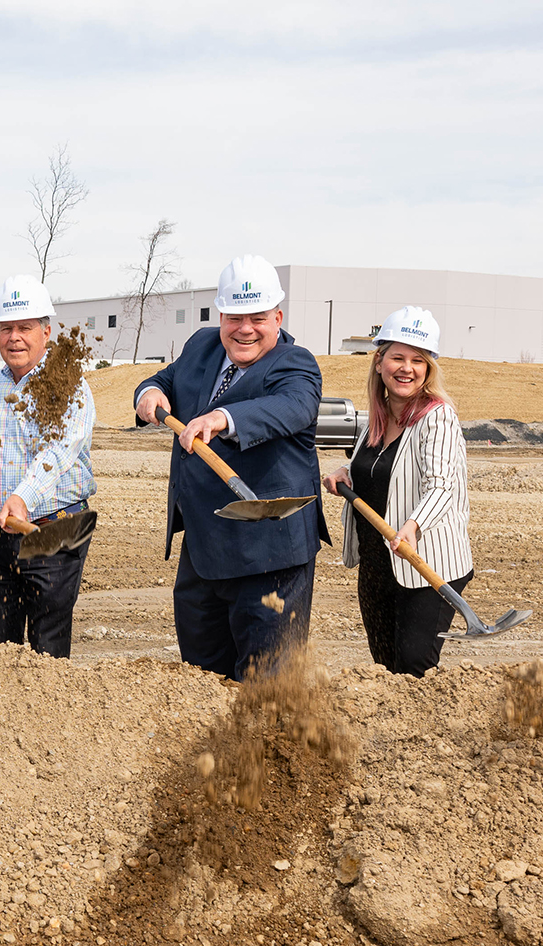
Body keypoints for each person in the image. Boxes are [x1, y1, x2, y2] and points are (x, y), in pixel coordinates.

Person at [134, 254, 328, 681]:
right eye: (235, 316)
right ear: (221, 315)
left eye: (257, 317)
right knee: (202, 676)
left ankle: (269, 748)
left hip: (270, 554)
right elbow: (167, 380)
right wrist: (149, 391)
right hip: (205, 547)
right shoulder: (202, 345)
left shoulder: (296, 365)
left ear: (277, 317)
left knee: (266, 685)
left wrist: (223, 418)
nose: (245, 328)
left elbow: (289, 407)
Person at [322, 307, 471, 676]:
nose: (407, 368)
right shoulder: (377, 414)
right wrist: (347, 473)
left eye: (417, 360)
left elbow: (441, 486)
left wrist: (413, 526)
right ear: (379, 362)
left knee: (413, 666)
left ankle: (427, 733)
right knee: (385, 669)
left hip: (425, 564)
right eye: (398, 357)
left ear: (429, 368)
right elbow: (381, 470)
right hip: (378, 563)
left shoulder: (437, 416)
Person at [0, 274, 97, 658]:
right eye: (6, 328)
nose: (14, 337)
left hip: (51, 530)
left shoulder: (69, 384)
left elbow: (62, 450)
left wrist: (22, 497)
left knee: (46, 652)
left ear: (46, 331)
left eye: (25, 327)